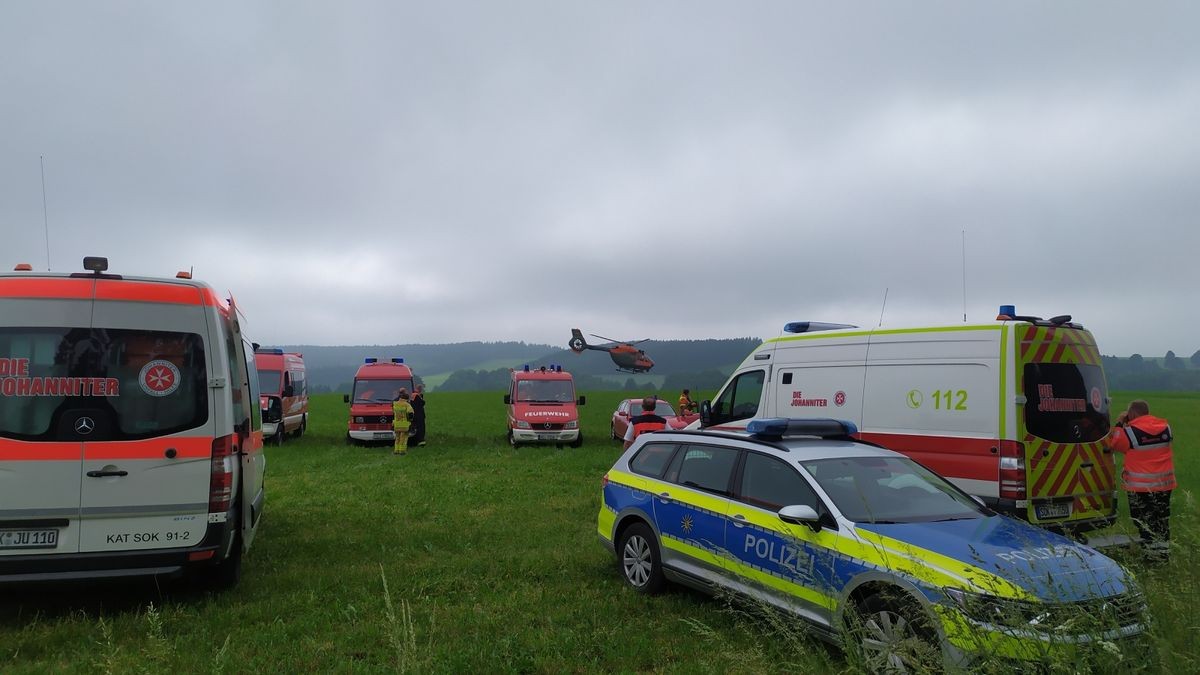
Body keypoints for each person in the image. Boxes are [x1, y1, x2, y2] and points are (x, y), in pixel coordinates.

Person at [1107, 399, 1175, 561]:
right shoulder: (1166, 428)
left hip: (1141, 487)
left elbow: (1114, 444)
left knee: (1144, 521)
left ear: (1132, 414)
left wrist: (1119, 423)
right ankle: (1163, 554)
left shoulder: (1130, 433)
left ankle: (1151, 556)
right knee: (1161, 519)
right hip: (1164, 485)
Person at [392, 389, 414, 456]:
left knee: (397, 438)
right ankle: (402, 451)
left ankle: (396, 450)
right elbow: (410, 414)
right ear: (406, 399)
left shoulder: (395, 404)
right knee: (403, 438)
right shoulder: (407, 405)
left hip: (396, 424)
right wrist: (411, 420)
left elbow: (393, 412)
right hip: (404, 424)